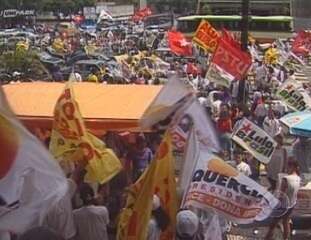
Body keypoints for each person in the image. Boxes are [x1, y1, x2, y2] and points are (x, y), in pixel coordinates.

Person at [265, 160, 301, 240]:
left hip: (282, 204)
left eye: (288, 166)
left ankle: (267, 238)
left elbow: (281, 194)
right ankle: (285, 238)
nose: (287, 168)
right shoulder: (298, 178)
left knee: (273, 223)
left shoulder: (286, 179)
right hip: (291, 204)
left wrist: (275, 203)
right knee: (286, 222)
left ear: (292, 167)